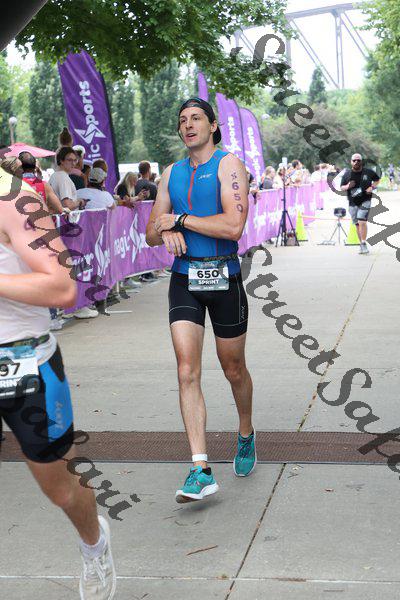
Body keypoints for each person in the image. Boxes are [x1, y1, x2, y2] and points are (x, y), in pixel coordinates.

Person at [0, 165, 116, 599]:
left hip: (24, 362)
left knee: (61, 490)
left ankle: (94, 544)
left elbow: (62, 288)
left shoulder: (14, 199)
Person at [146, 97, 255, 503]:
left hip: (224, 275)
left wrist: (180, 220)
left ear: (212, 126)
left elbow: (233, 226)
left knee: (233, 369)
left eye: (196, 118)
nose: (188, 125)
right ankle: (200, 468)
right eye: (182, 120)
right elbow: (150, 232)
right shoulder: (171, 173)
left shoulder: (229, 165)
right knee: (186, 370)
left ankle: (245, 431)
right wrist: (165, 229)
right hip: (184, 278)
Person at [340, 153, 380, 254]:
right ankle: (361, 244)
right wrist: (348, 186)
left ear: (361, 161)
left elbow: (377, 180)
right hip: (352, 203)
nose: (356, 162)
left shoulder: (368, 172)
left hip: (365, 200)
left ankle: (363, 243)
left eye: (358, 160)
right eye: (354, 160)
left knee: (362, 221)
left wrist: (372, 187)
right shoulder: (347, 174)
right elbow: (341, 187)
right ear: (351, 162)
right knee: (357, 224)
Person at [49, 147, 83, 212]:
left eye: (75, 160)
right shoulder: (63, 177)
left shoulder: (54, 175)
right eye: (70, 160)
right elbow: (67, 205)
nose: (73, 163)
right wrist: (80, 202)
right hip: (64, 217)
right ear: (61, 161)